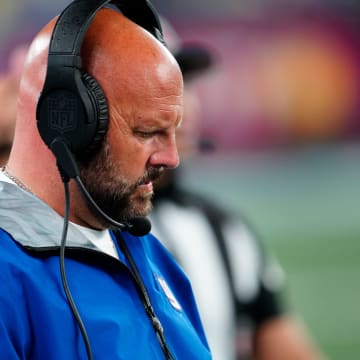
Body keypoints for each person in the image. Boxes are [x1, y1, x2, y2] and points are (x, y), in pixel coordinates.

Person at [0, 2, 211, 359]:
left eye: (172, 131)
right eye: (147, 132)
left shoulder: (143, 248)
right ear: (67, 122)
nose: (171, 158)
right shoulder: (8, 275)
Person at [150, 18, 326, 360]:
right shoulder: (64, 231)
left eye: (184, 84)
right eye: (158, 85)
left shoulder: (225, 231)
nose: (182, 105)